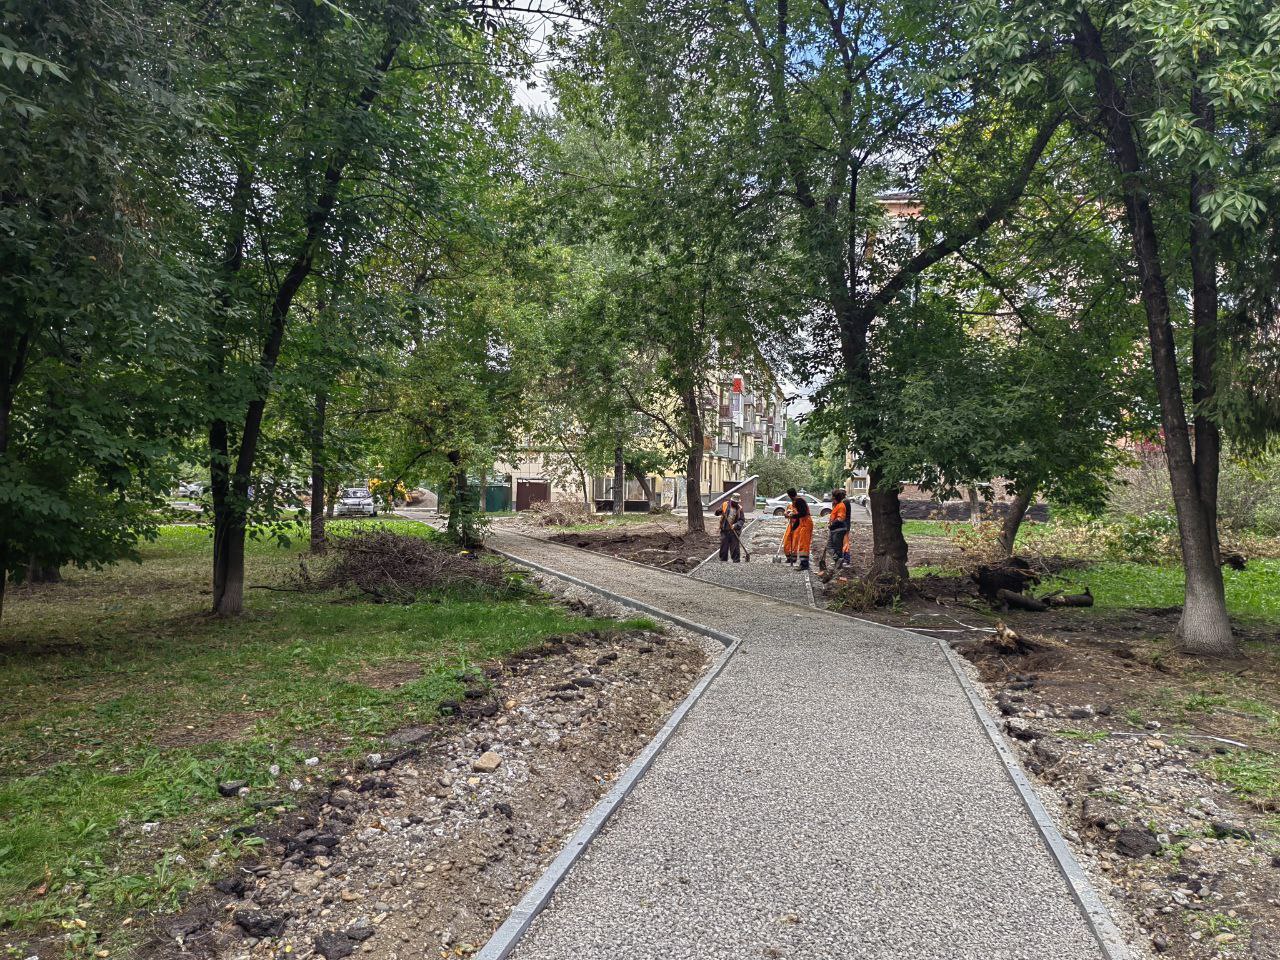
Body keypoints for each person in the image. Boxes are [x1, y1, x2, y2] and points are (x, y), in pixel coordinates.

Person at [822, 489, 850, 572]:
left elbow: (840, 519)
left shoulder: (841, 505)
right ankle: (837, 560)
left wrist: (832, 524)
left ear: (835, 497)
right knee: (829, 546)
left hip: (839, 530)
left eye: (832, 496)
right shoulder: (836, 505)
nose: (831, 498)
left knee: (838, 548)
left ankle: (839, 565)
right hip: (834, 530)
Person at [787, 488, 813, 571]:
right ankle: (803, 564)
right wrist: (793, 528)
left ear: (789, 496)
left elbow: (803, 513)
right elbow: (799, 517)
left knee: (804, 545)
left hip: (806, 523)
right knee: (802, 544)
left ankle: (804, 565)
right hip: (803, 524)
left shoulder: (799, 501)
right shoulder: (797, 501)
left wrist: (793, 516)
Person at [714, 495, 746, 562]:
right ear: (732, 500)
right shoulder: (725, 504)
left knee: (735, 548)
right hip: (724, 530)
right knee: (724, 547)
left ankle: (736, 561)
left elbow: (742, 520)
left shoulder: (740, 508)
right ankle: (723, 561)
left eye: (737, 502)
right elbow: (717, 513)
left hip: (734, 531)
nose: (736, 503)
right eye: (734, 502)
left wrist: (736, 525)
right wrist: (718, 511)